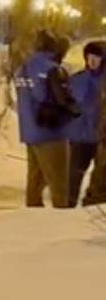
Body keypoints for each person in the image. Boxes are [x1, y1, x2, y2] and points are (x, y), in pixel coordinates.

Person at [14, 30, 77, 208]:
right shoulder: (51, 69)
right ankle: (61, 225)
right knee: (60, 186)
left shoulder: (22, 68)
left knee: (34, 183)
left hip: (30, 131)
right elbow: (63, 100)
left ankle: (34, 221)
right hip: (52, 133)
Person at [67, 42, 105, 204]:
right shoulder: (77, 79)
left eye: (97, 57)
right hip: (79, 136)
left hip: (101, 138)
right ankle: (66, 207)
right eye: (90, 57)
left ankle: (93, 205)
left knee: (101, 179)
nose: (93, 61)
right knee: (73, 176)